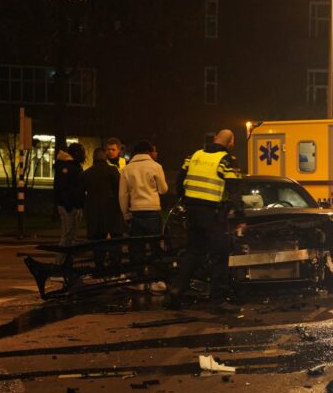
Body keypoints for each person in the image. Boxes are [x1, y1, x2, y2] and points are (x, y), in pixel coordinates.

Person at [168, 129, 241, 310]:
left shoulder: (193, 156)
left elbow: (179, 182)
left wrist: (185, 201)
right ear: (230, 142)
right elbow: (235, 190)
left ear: (215, 138)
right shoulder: (226, 160)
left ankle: (176, 290)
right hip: (213, 214)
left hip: (192, 212)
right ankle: (218, 300)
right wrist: (240, 215)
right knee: (220, 254)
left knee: (193, 251)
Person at [119, 140, 169, 291]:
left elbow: (122, 195)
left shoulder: (127, 169)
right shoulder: (156, 166)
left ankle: (139, 279)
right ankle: (157, 280)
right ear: (148, 152)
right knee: (155, 247)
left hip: (136, 212)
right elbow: (163, 189)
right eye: (154, 151)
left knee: (137, 249)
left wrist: (125, 214)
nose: (156, 153)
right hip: (153, 211)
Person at [82, 147, 124, 268]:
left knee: (97, 241)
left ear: (94, 158)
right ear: (105, 158)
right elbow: (119, 189)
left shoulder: (88, 173)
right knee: (116, 240)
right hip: (112, 210)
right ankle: (115, 267)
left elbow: (80, 192)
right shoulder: (112, 171)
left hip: (95, 212)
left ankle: (99, 266)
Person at [53, 143, 86, 264]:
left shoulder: (71, 166)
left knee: (71, 239)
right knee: (67, 238)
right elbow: (63, 189)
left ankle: (66, 265)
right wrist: (70, 206)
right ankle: (58, 266)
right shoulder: (68, 167)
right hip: (69, 207)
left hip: (73, 206)